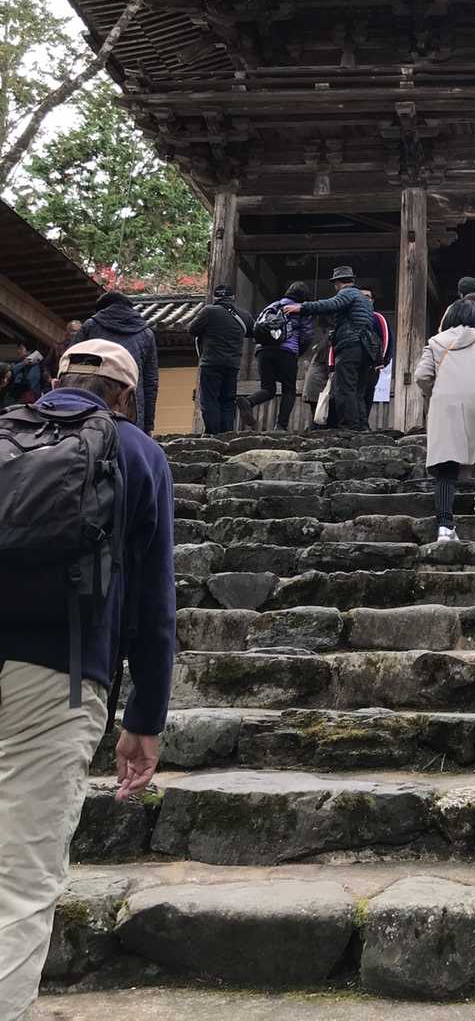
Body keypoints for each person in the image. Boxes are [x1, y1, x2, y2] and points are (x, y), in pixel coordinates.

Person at [0, 338, 175, 1018]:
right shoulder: (138, 453)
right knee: (21, 875)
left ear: (53, 379)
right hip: (60, 673)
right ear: (127, 395)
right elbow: (154, 603)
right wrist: (145, 718)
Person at [415, 298, 475, 539]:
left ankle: (445, 527)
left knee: (446, 464)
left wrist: (437, 390)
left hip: (445, 403)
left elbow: (421, 376)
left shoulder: (435, 342)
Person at [285, 265, 376, 432]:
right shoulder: (364, 300)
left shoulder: (347, 293)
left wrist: (302, 307)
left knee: (345, 387)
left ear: (337, 283)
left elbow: (330, 304)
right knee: (358, 390)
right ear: (351, 279)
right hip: (366, 349)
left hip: (350, 346)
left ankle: (349, 427)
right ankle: (362, 427)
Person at [75, 291, 160, 433]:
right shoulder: (146, 334)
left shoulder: (90, 327)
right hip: (132, 407)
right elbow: (151, 383)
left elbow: (73, 369)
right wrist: (148, 425)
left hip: (92, 406)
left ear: (102, 309)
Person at [236, 282, 314, 432]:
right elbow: (307, 335)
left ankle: (248, 401)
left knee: (268, 388)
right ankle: (280, 426)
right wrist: (297, 352)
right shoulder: (301, 309)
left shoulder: (271, 306)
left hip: (263, 351)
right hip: (287, 351)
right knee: (289, 390)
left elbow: (257, 327)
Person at [188, 284, 254, 436]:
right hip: (232, 364)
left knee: (210, 398)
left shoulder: (209, 311)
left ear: (215, 297)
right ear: (233, 297)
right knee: (228, 400)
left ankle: (213, 433)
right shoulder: (244, 315)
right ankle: (227, 434)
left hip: (211, 362)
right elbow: (253, 332)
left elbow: (192, 330)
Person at [360, 287, 395, 422]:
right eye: (361, 296)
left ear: (372, 300)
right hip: (353, 364)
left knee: (367, 394)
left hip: (371, 366)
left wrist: (381, 361)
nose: (364, 299)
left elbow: (386, 339)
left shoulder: (377, 318)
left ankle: (363, 423)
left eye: (367, 297)